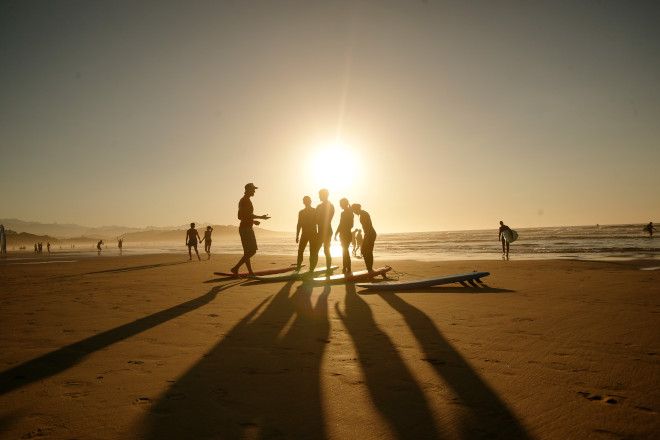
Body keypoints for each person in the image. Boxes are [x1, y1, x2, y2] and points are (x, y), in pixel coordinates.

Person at [230, 183, 270, 276]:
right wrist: (260, 217)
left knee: (247, 252)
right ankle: (235, 268)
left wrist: (253, 221)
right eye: (253, 189)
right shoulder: (245, 201)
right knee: (252, 251)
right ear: (248, 190)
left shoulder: (245, 200)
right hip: (246, 229)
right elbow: (240, 216)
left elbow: (244, 216)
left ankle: (250, 272)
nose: (254, 191)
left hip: (245, 227)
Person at [312, 188, 335, 272]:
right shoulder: (319, 206)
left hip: (327, 231)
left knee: (326, 250)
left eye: (320, 195)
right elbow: (315, 219)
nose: (319, 197)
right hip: (320, 231)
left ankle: (328, 269)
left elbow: (328, 218)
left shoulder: (330, 206)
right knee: (316, 250)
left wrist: (318, 220)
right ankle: (312, 269)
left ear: (325, 195)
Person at [351, 204, 377, 272]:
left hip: (370, 234)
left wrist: (367, 236)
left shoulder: (363, 214)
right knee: (364, 251)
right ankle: (369, 268)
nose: (354, 212)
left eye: (353, 211)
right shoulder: (362, 214)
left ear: (356, 209)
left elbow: (368, 225)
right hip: (368, 234)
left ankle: (369, 269)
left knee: (367, 251)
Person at [295, 196, 317, 270]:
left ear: (310, 201)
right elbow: (299, 224)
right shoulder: (301, 212)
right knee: (301, 250)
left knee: (312, 251)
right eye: (305, 201)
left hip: (313, 234)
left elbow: (319, 222)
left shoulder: (315, 210)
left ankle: (311, 268)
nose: (306, 202)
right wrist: (297, 235)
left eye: (307, 201)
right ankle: (298, 266)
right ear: (304, 202)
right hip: (305, 234)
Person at [334, 198, 354, 273]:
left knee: (345, 251)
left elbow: (351, 225)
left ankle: (347, 268)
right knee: (344, 251)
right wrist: (336, 233)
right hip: (344, 234)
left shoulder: (348, 213)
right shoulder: (346, 213)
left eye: (340, 204)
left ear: (343, 204)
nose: (340, 205)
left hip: (346, 234)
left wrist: (338, 232)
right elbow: (341, 224)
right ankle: (345, 267)